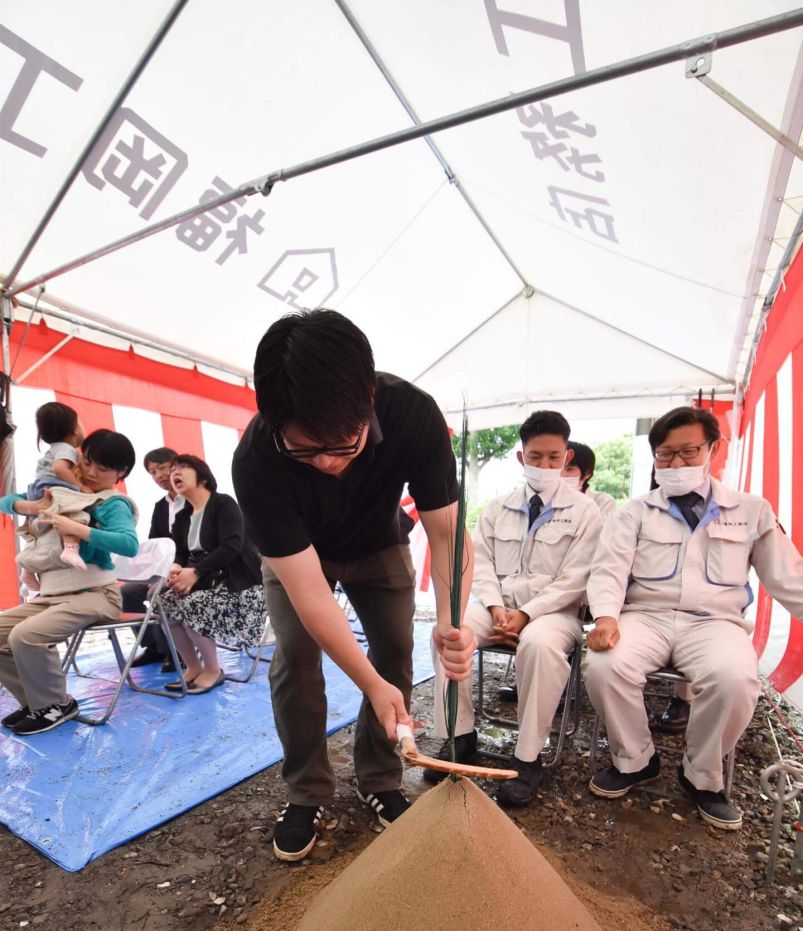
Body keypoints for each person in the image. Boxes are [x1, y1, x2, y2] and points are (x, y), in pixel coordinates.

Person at [232, 308, 475, 863]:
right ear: (271, 419)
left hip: (379, 544)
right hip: (299, 558)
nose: (327, 463)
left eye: (344, 445)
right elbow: (311, 593)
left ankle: (381, 777)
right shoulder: (254, 461)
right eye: (305, 449)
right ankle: (307, 793)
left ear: (368, 397)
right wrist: (368, 683)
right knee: (294, 654)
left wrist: (450, 621)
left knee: (396, 648)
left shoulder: (413, 413)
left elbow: (448, 535)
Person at [584, 405, 803, 830]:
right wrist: (606, 617)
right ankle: (635, 759)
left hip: (714, 623)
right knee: (605, 665)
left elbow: (787, 575)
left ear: (713, 449)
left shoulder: (750, 509)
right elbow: (608, 569)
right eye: (665, 455)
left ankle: (701, 775)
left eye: (688, 452)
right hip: (645, 617)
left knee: (735, 678)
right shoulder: (635, 512)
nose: (676, 463)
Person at [427, 411, 602, 806]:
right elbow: (479, 563)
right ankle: (459, 736)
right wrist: (493, 606)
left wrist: (527, 614)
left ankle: (527, 758)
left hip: (554, 614)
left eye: (554, 458)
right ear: (521, 458)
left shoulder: (586, 512)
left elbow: (576, 578)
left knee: (539, 646)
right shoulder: (496, 508)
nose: (545, 465)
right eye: (536, 456)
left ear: (566, 456)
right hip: (497, 607)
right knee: (448, 631)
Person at [0, 430, 138, 735]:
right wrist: (32, 507)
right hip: (51, 595)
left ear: (121, 473)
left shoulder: (112, 502)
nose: (90, 472)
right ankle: (37, 703)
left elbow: (129, 544)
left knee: (26, 635)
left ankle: (57, 704)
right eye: (87, 462)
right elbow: (6, 502)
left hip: (96, 594)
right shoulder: (59, 489)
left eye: (102, 469)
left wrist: (78, 528)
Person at [159, 454, 265, 694]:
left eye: (183, 467)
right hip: (206, 581)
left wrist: (195, 572)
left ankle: (213, 670)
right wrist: (176, 568)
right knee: (164, 604)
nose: (175, 472)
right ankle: (193, 667)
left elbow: (232, 546)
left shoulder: (223, 504)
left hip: (239, 585)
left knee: (193, 604)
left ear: (203, 477)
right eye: (173, 469)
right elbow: (180, 553)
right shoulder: (183, 516)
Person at [123, 447, 186, 671]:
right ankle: (154, 646)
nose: (158, 475)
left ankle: (176, 650)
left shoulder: (192, 500)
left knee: (157, 593)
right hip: (164, 570)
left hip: (187, 569)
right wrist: (152, 573)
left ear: (177, 466)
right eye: (152, 472)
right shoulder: (160, 507)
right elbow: (154, 544)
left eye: (162, 468)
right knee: (125, 593)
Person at [18, 401, 87, 586]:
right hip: (54, 487)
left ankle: (27, 570)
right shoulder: (67, 449)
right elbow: (59, 469)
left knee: (35, 530)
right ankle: (71, 549)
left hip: (38, 489)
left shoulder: (54, 448)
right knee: (74, 515)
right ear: (74, 429)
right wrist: (80, 486)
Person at [562, 441, 617, 520]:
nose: (561, 475)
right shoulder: (542, 501)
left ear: (587, 473)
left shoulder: (603, 502)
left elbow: (602, 531)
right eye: (558, 469)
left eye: (569, 469)